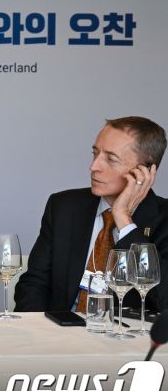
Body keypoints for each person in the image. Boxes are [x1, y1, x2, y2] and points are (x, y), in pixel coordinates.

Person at [15, 116, 168, 312]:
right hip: (60, 327)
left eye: (111, 159)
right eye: (95, 153)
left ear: (144, 172)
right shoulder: (64, 206)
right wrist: (40, 329)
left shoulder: (163, 218)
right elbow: (33, 285)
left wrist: (123, 218)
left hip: (126, 331)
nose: (94, 166)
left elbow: (163, 298)